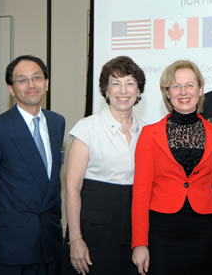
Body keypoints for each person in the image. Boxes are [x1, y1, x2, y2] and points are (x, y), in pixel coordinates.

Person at [131, 60, 212, 275]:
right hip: (161, 233)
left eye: (189, 85)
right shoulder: (149, 135)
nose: (183, 91)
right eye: (176, 86)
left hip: (204, 233)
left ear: (200, 89)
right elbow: (141, 192)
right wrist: (139, 243)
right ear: (167, 93)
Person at [0, 55, 65, 275]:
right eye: (22, 80)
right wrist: (5, 223)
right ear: (11, 89)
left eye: (37, 78)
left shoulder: (57, 122)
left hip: (50, 241)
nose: (31, 85)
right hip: (11, 245)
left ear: (47, 83)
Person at [61, 56, 146, 275]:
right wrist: (75, 239)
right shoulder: (86, 128)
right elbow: (72, 188)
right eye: (115, 83)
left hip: (133, 228)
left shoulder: (147, 132)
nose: (123, 90)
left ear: (138, 91)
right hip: (94, 228)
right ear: (106, 91)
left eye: (130, 83)